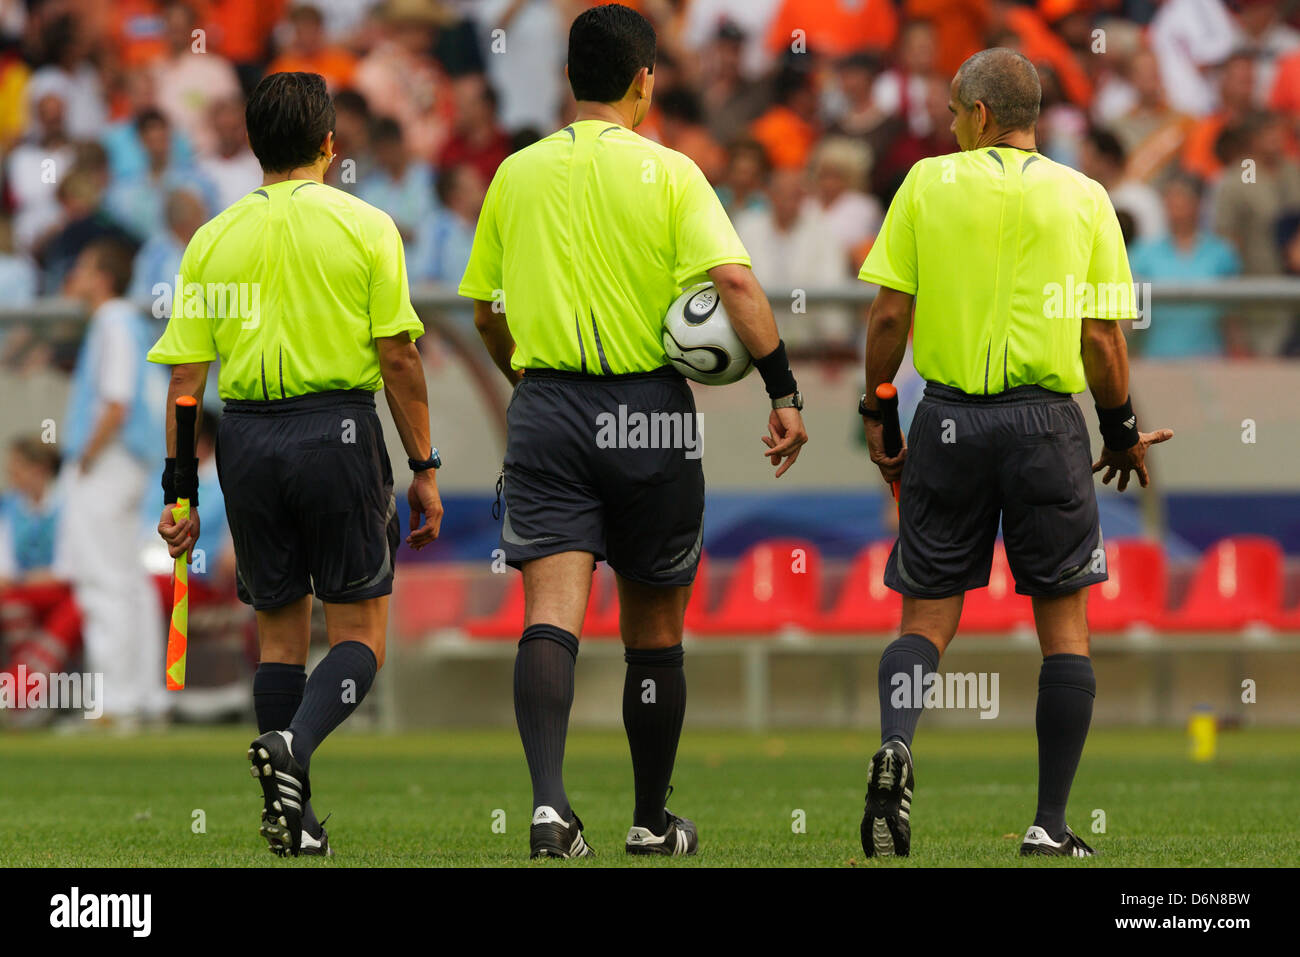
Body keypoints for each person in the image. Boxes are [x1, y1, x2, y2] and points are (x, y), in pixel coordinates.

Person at [459, 3, 807, 860]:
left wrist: (525, 377)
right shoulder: (672, 172)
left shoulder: (516, 174)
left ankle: (548, 808)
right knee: (654, 628)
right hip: (648, 412)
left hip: (547, 409)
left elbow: (483, 310)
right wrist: (782, 389)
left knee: (550, 615)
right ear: (645, 80)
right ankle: (652, 822)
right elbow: (733, 280)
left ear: (568, 79)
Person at [856, 48, 1172, 859]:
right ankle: (1050, 824)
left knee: (924, 615)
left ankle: (897, 742)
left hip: (950, 420)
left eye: (957, 110)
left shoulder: (926, 184)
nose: (950, 124)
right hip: (1043, 425)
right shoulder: (1086, 197)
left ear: (983, 114)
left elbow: (890, 316)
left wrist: (879, 407)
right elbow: (1101, 338)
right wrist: (1121, 428)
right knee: (1064, 629)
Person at [148, 71, 444, 858]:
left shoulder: (211, 237)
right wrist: (425, 462)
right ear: (329, 144)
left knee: (279, 638)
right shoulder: (367, 225)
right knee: (359, 635)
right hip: (336, 432)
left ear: (252, 146)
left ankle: (294, 818)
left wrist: (181, 494)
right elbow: (399, 357)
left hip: (245, 438)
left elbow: (185, 380)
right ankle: (296, 748)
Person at [56, 239, 169, 726]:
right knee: (128, 581)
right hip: (128, 462)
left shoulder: (112, 323)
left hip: (108, 463)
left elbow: (116, 402)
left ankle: (114, 701)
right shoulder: (128, 322)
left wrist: (84, 458)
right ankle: (143, 696)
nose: (73, 277)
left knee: (101, 579)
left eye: (81, 266)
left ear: (102, 277)